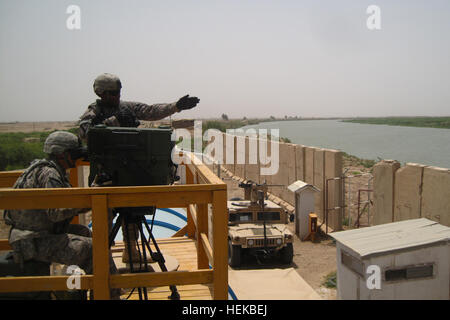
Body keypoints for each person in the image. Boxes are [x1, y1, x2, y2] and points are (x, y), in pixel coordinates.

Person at [78, 73, 200, 263]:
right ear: (100, 93)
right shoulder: (93, 112)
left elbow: (151, 111)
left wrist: (176, 106)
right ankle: (103, 259)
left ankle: (131, 250)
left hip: (132, 172)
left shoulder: (127, 107)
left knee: (133, 212)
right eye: (112, 93)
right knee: (104, 218)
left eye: (118, 92)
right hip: (106, 175)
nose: (116, 96)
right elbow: (86, 133)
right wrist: (115, 121)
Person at [4, 131, 121, 299]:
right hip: (34, 241)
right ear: (62, 155)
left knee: (84, 232)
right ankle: (107, 294)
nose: (76, 158)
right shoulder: (50, 174)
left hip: (34, 235)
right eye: (73, 154)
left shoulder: (44, 169)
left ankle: (80, 288)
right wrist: (90, 196)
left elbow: (64, 206)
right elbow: (57, 212)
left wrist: (90, 195)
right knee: (95, 249)